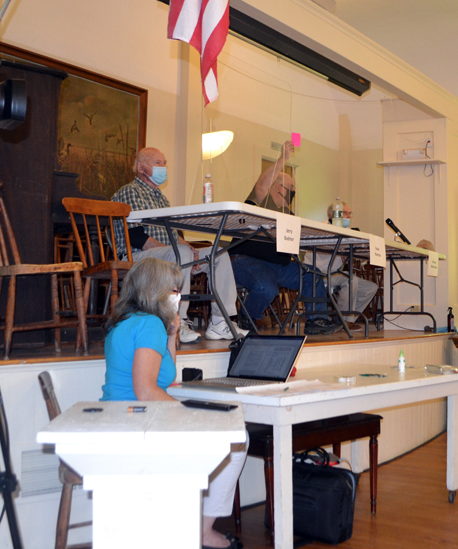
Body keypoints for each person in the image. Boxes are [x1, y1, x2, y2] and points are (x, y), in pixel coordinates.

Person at [101, 257, 247, 549]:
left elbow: (164, 378)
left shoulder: (125, 322)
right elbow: (146, 390)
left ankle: (190, 526)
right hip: (138, 420)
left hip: (119, 417)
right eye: (173, 290)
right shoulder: (150, 325)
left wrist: (173, 334)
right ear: (154, 291)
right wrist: (187, 414)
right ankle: (202, 531)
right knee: (237, 438)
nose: (178, 296)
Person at [112, 147, 248, 343]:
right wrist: (178, 252)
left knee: (218, 252)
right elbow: (135, 237)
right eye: (158, 163)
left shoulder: (162, 199)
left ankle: (220, 322)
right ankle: (178, 321)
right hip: (136, 257)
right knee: (181, 253)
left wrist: (191, 251)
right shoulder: (130, 192)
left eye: (165, 163)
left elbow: (175, 235)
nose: (163, 167)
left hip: (169, 253)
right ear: (141, 167)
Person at [229, 141, 341, 336]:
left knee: (312, 274)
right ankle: (247, 315)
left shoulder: (288, 213)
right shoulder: (261, 202)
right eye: (289, 187)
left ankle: (316, 320)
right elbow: (261, 184)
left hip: (278, 266)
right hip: (245, 261)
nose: (292, 191)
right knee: (266, 288)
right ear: (276, 187)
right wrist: (283, 159)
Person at [302, 201, 379, 323]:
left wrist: (351, 254)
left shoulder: (348, 231)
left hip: (334, 274)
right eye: (345, 213)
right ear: (333, 214)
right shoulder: (321, 228)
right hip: (317, 274)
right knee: (350, 280)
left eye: (350, 213)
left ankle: (342, 318)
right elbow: (322, 249)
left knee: (370, 288)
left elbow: (360, 256)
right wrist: (341, 250)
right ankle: (345, 321)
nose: (348, 216)